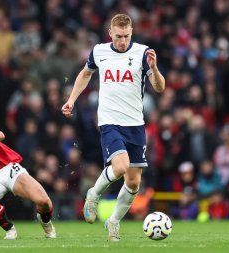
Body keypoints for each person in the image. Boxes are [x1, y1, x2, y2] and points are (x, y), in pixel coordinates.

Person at [62, 14, 165, 241]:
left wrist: (154, 69)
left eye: (126, 36)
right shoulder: (99, 51)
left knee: (133, 181)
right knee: (120, 167)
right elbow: (85, 73)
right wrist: (71, 100)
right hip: (109, 121)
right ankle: (93, 194)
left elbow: (159, 87)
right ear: (110, 33)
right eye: (118, 36)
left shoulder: (142, 53)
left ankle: (113, 222)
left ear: (132, 32)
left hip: (135, 124)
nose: (122, 41)